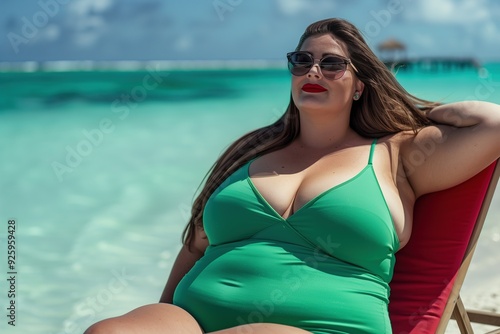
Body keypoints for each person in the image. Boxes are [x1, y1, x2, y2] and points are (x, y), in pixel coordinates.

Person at [85, 18, 500, 334]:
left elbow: (492, 124)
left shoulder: (396, 155)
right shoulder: (252, 149)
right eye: (302, 60)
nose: (313, 71)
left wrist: (415, 112)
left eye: (332, 63)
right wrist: (167, 313)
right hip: (195, 318)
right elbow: (196, 245)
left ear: (360, 84)